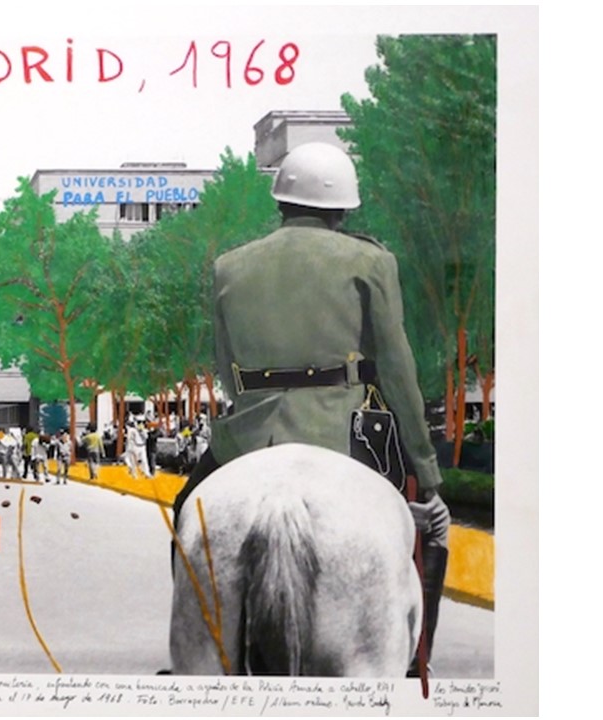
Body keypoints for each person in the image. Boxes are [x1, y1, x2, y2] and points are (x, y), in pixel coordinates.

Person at [170, 142, 451, 671]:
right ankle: (416, 665)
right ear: (343, 208)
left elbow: (226, 364)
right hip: (343, 435)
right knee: (429, 529)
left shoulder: (229, 267)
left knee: (188, 513)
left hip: (250, 438)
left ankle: (201, 647)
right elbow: (397, 369)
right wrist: (427, 475)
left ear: (281, 203)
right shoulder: (370, 260)